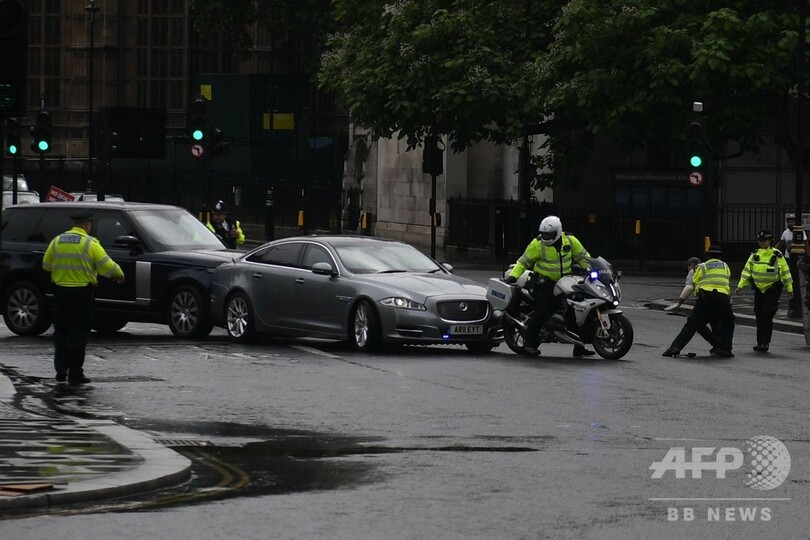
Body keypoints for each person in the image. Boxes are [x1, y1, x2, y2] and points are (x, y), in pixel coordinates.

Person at [42, 211, 125, 384]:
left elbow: (46, 265)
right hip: (81, 295)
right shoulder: (90, 243)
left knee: (61, 332)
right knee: (78, 334)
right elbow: (106, 265)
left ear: (74, 224)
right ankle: (75, 373)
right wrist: (118, 275)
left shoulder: (57, 241)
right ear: (87, 225)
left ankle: (60, 371)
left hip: (60, 294)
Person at [506, 215, 594, 356]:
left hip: (565, 280)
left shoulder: (570, 241)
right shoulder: (537, 244)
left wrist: (593, 269)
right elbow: (523, 262)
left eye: (548, 234)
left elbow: (584, 257)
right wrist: (514, 275)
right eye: (543, 233)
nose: (545, 236)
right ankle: (528, 342)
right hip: (544, 282)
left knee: (575, 308)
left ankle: (579, 346)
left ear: (558, 232)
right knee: (542, 309)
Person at [663, 246, 735, 358]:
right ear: (720, 257)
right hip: (723, 300)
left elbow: (690, 287)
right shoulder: (725, 267)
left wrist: (679, 302)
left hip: (706, 298)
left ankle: (675, 347)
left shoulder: (701, 267)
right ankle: (726, 349)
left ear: (707, 256)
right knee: (728, 323)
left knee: (692, 323)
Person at [735, 229, 794, 352]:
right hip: (759, 288)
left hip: (773, 288)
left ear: (769, 241)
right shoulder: (754, 254)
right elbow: (747, 271)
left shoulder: (777, 254)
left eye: (764, 240)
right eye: (760, 240)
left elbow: (785, 272)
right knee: (759, 314)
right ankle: (760, 342)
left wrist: (790, 289)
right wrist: (740, 286)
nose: (762, 243)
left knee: (767, 314)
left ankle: (766, 342)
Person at [775, 214, 802, 318]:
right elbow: (781, 244)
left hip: (797, 259)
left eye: (793, 221)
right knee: (787, 277)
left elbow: (805, 243)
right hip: (787, 257)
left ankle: (794, 299)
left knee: (795, 279)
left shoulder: (800, 231)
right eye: (789, 222)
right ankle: (791, 294)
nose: (791, 223)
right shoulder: (785, 233)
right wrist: (772, 250)